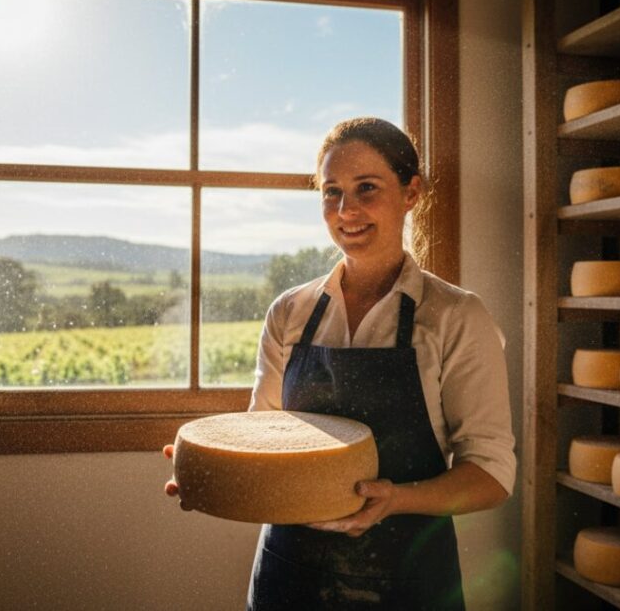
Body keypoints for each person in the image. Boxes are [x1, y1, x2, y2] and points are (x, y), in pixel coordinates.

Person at [165, 117, 516, 610]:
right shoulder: (290, 312)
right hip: (289, 576)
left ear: (411, 192)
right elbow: (264, 433)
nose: (346, 210)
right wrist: (216, 474)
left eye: (366, 188)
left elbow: (492, 475)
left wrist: (394, 499)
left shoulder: (456, 317)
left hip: (408, 581)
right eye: (331, 192)